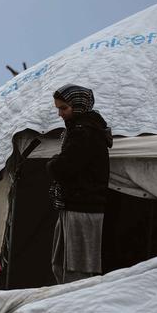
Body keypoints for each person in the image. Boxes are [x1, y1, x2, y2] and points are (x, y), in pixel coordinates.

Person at [46, 84, 112, 284]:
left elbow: (64, 167)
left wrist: (52, 163)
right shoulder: (80, 130)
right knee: (61, 265)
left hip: (83, 208)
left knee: (77, 270)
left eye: (63, 108)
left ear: (78, 106)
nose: (60, 114)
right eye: (58, 108)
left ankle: (77, 302)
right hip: (75, 205)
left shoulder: (84, 133)